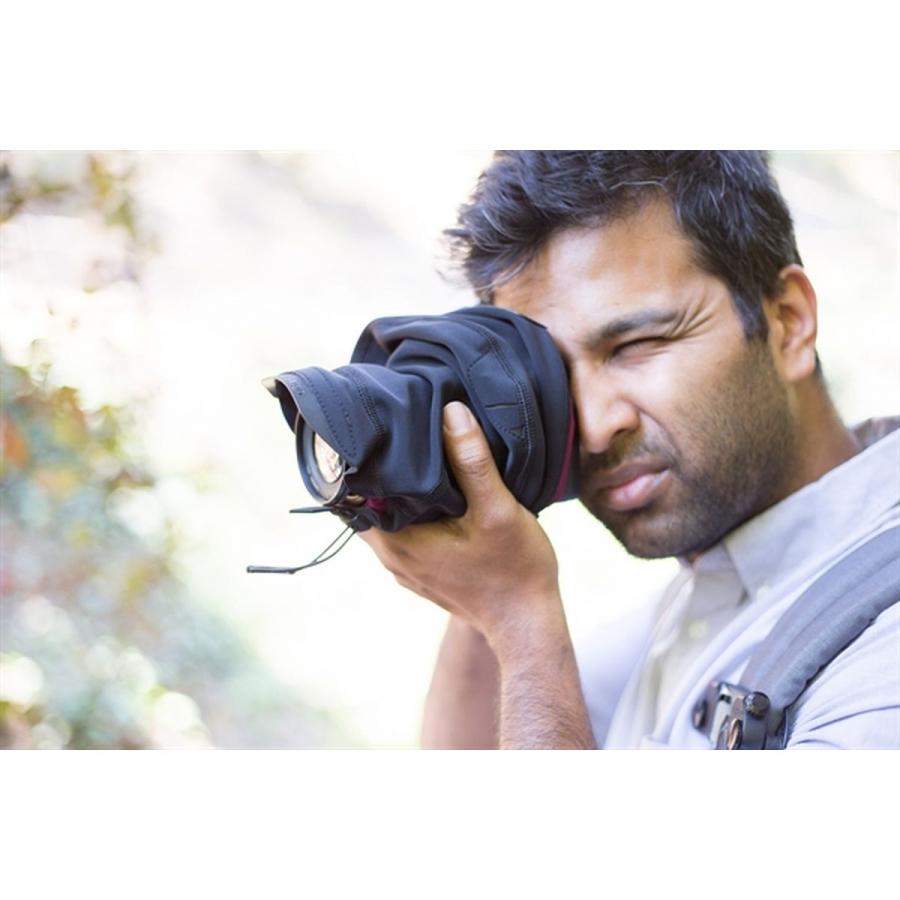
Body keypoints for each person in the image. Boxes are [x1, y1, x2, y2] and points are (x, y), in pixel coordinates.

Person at [359, 151, 900, 750]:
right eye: (552, 381)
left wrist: (521, 618)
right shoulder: (706, 591)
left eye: (635, 346)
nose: (593, 427)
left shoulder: (881, 646)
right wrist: (481, 552)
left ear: (788, 322)